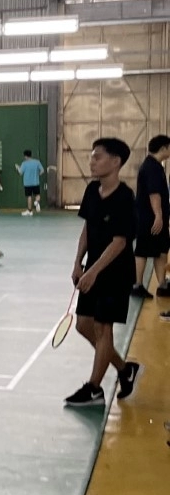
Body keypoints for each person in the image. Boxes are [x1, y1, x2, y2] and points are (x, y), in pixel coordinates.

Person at [64, 137, 140, 407]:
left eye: (98, 156)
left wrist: (93, 272)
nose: (91, 161)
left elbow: (120, 242)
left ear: (116, 161)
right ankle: (124, 368)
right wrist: (78, 262)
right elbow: (87, 229)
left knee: (102, 328)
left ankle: (94, 389)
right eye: (91, 156)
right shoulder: (91, 191)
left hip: (116, 272)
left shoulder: (125, 197)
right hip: (92, 268)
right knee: (83, 325)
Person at [133, 135, 170, 299]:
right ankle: (137, 285)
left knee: (161, 249)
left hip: (155, 217)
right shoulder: (151, 168)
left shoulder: (156, 166)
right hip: (150, 218)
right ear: (163, 148)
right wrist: (158, 216)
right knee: (143, 250)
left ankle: (162, 284)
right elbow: (154, 194)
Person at [16, 150, 45, 215]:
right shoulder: (37, 162)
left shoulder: (24, 163)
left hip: (27, 183)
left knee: (29, 196)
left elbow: (20, 172)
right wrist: (38, 175)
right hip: (36, 182)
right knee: (37, 195)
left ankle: (29, 211)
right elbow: (42, 170)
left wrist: (18, 167)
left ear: (25, 156)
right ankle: (36, 202)